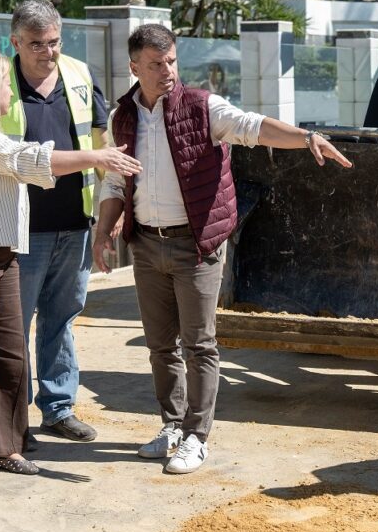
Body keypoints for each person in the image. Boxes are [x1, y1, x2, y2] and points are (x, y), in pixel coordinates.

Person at [92, 24, 353, 475]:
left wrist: (305, 137)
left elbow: (252, 127)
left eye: (171, 60)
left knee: (199, 344)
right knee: (160, 346)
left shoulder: (202, 107)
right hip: (147, 245)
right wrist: (103, 229)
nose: (167, 70)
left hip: (196, 245)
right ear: (134, 67)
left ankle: (197, 436)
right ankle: (171, 426)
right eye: (155, 64)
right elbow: (117, 177)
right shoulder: (124, 117)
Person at [0, 48, 140, 492]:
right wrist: (96, 157)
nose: (9, 90)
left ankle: (2, 445)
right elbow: (23, 160)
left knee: (8, 358)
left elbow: (20, 160)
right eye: (3, 82)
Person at [4, 0, 111, 446]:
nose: (47, 52)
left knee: (61, 318)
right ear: (15, 42)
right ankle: (11, 419)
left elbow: (103, 140)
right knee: (14, 323)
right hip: (19, 225)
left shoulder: (79, 74)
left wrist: (113, 206)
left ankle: (58, 408)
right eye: (36, 44)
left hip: (75, 221)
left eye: (54, 42)